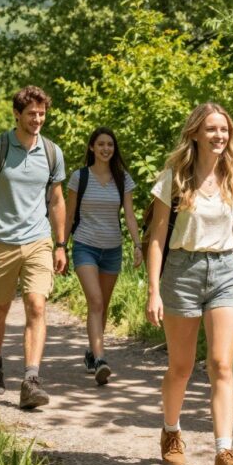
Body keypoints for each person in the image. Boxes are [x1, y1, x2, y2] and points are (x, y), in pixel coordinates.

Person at [145, 103, 233, 465]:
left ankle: (224, 453)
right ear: (195, 133)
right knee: (181, 367)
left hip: (225, 272)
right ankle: (171, 430)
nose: (219, 136)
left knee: (221, 365)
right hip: (182, 272)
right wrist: (152, 290)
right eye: (211, 129)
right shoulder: (173, 179)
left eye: (224, 130)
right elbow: (158, 237)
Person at [0, 86, 67, 410]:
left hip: (38, 240)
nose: (37, 119)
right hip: (1, 241)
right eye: (31, 114)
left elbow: (56, 199)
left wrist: (61, 244)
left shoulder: (52, 152)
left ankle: (31, 379)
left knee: (37, 305)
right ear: (17, 114)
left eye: (41, 114)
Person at [63, 126, 142, 385]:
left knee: (103, 305)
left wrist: (138, 245)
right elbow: (69, 213)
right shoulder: (79, 177)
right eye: (101, 144)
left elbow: (129, 214)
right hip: (85, 245)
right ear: (92, 148)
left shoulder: (123, 179)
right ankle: (100, 360)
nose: (106, 148)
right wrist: (61, 245)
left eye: (110, 144)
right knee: (95, 301)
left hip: (113, 248)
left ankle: (91, 351)